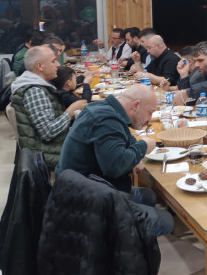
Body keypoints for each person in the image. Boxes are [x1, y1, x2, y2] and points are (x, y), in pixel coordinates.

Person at [55, 84, 173, 236]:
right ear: (135, 105)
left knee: (147, 196)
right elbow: (115, 167)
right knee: (166, 221)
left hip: (81, 187)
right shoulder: (106, 119)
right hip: (84, 203)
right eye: (150, 112)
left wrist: (134, 156)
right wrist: (142, 146)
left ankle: (137, 241)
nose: (149, 119)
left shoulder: (104, 108)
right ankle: (122, 244)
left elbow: (126, 138)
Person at [10, 46, 87, 170]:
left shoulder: (37, 86)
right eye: (53, 61)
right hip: (47, 153)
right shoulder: (35, 91)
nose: (58, 65)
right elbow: (48, 132)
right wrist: (71, 110)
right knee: (99, 149)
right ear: (39, 66)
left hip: (52, 146)